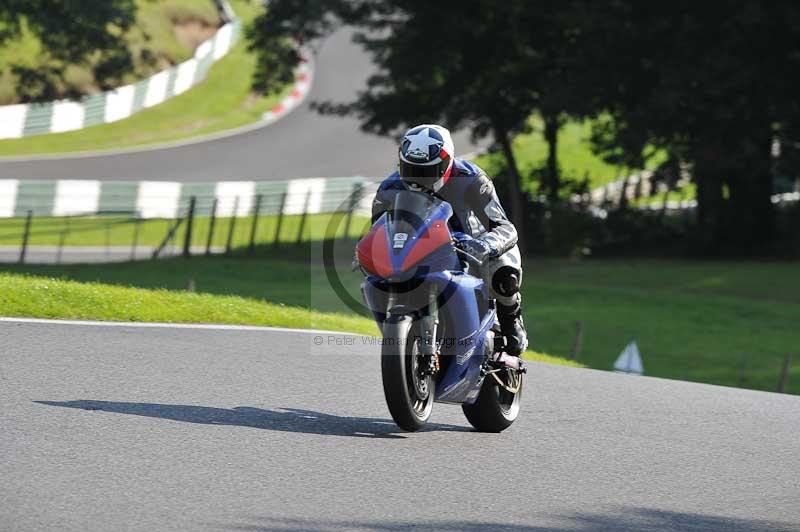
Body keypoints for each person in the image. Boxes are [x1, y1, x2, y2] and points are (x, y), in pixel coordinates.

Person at [371, 124, 528, 357]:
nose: (417, 179)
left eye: (426, 171)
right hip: (421, 249)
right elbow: (377, 232)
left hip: (470, 246)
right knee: (375, 280)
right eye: (411, 169)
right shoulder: (389, 188)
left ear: (446, 164)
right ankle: (402, 336)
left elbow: (503, 226)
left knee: (503, 271)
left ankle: (511, 317)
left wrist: (486, 245)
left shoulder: (471, 179)